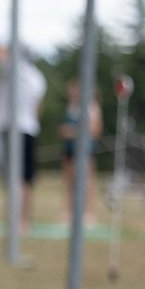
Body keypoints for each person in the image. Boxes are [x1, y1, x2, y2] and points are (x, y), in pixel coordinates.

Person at [0, 9, 47, 234]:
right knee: (27, 179)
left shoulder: (12, 67)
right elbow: (38, 110)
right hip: (29, 130)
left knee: (14, 178)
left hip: (11, 129)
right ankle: (24, 222)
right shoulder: (38, 78)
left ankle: (15, 222)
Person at [60, 78, 103, 225]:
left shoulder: (92, 107)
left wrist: (73, 132)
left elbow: (96, 130)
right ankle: (71, 213)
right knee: (70, 183)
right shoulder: (71, 107)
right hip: (70, 150)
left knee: (86, 183)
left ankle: (88, 213)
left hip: (85, 151)